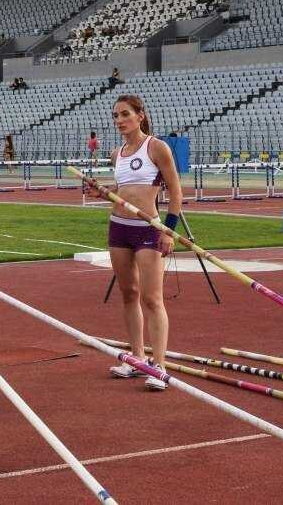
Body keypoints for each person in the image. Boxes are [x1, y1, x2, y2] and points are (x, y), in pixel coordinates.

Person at [97, 95, 182, 391]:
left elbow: (175, 191)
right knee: (129, 293)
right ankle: (136, 358)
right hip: (118, 228)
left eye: (125, 114)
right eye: (116, 116)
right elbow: (124, 189)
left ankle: (158, 365)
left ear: (140, 116)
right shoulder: (116, 153)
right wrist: (104, 191)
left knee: (151, 298)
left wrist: (168, 231)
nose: (119, 120)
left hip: (148, 229)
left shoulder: (157, 147)